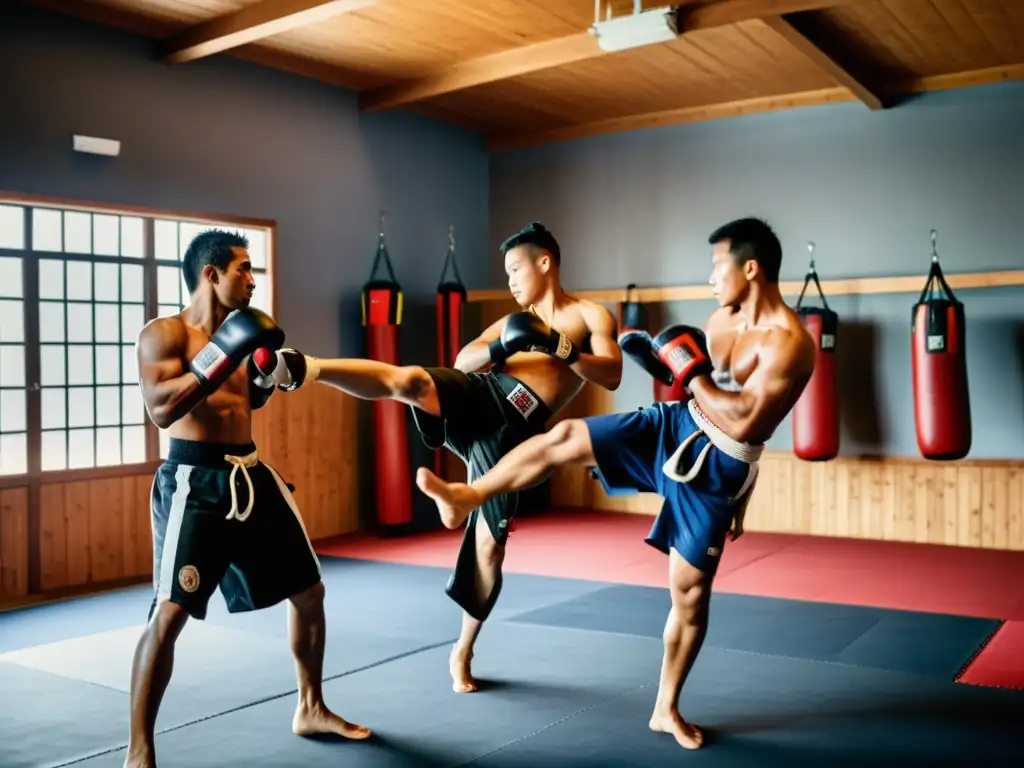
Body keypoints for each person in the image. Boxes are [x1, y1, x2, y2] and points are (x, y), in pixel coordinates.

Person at [414, 217, 817, 749]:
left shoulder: (790, 344)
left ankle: (665, 710)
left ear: (750, 267)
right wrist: (662, 361)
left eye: (718, 266)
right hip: (676, 424)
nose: (711, 278)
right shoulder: (722, 321)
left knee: (690, 595)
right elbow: (700, 386)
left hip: (720, 463)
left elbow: (744, 423)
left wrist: (687, 371)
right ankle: (470, 493)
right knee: (566, 437)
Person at [264, 222, 622, 693]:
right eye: (507, 273)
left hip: (514, 430)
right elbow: (463, 361)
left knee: (490, 548)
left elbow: (611, 373)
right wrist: (503, 344)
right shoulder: (513, 319)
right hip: (482, 395)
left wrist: (558, 346)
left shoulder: (591, 315)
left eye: (516, 269)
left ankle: (463, 650)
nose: (512, 281)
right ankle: (304, 367)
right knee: (412, 381)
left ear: (545, 262)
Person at [127, 229, 370, 768]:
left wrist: (265, 376)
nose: (253, 279)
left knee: (309, 593)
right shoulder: (162, 334)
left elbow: (244, 403)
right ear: (210, 274)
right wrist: (222, 354)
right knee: (168, 615)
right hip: (194, 480)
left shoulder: (244, 333)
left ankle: (311, 706)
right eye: (243, 268)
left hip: (251, 473)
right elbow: (163, 409)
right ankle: (138, 751)